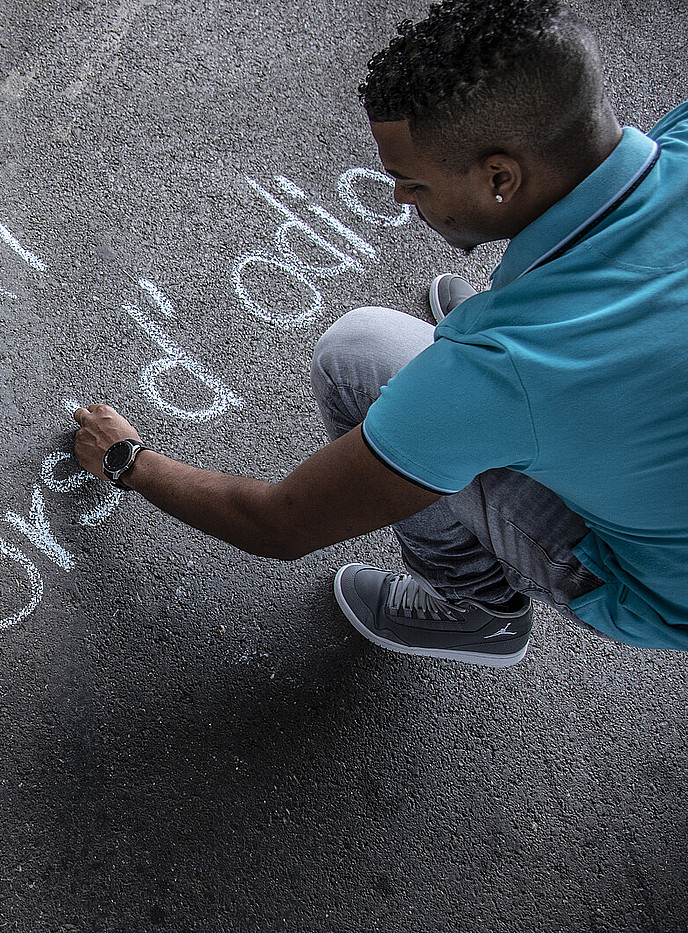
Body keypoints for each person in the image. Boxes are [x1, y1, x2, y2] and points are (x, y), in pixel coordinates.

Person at [72, 0, 688, 667]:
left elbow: (279, 523)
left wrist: (128, 462)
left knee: (358, 355)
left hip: (658, 585)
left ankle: (472, 609)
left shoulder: (498, 372)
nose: (397, 199)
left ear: (500, 177)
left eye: (411, 181)